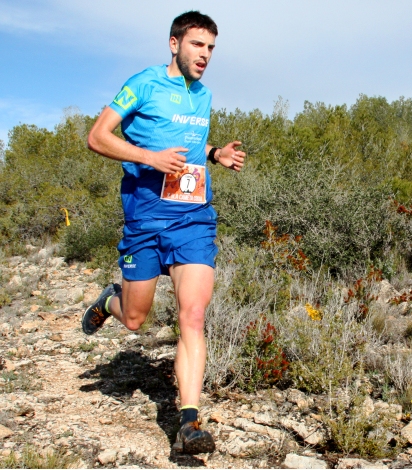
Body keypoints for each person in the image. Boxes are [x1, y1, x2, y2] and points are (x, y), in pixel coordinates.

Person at [82, 11, 245, 454]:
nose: (205, 55)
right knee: (135, 319)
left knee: (193, 315)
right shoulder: (145, 83)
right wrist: (148, 158)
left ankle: (188, 423)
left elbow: (188, 146)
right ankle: (108, 300)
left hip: (193, 218)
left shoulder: (204, 95)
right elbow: (97, 137)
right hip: (144, 219)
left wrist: (214, 153)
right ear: (174, 44)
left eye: (211, 48)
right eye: (197, 45)